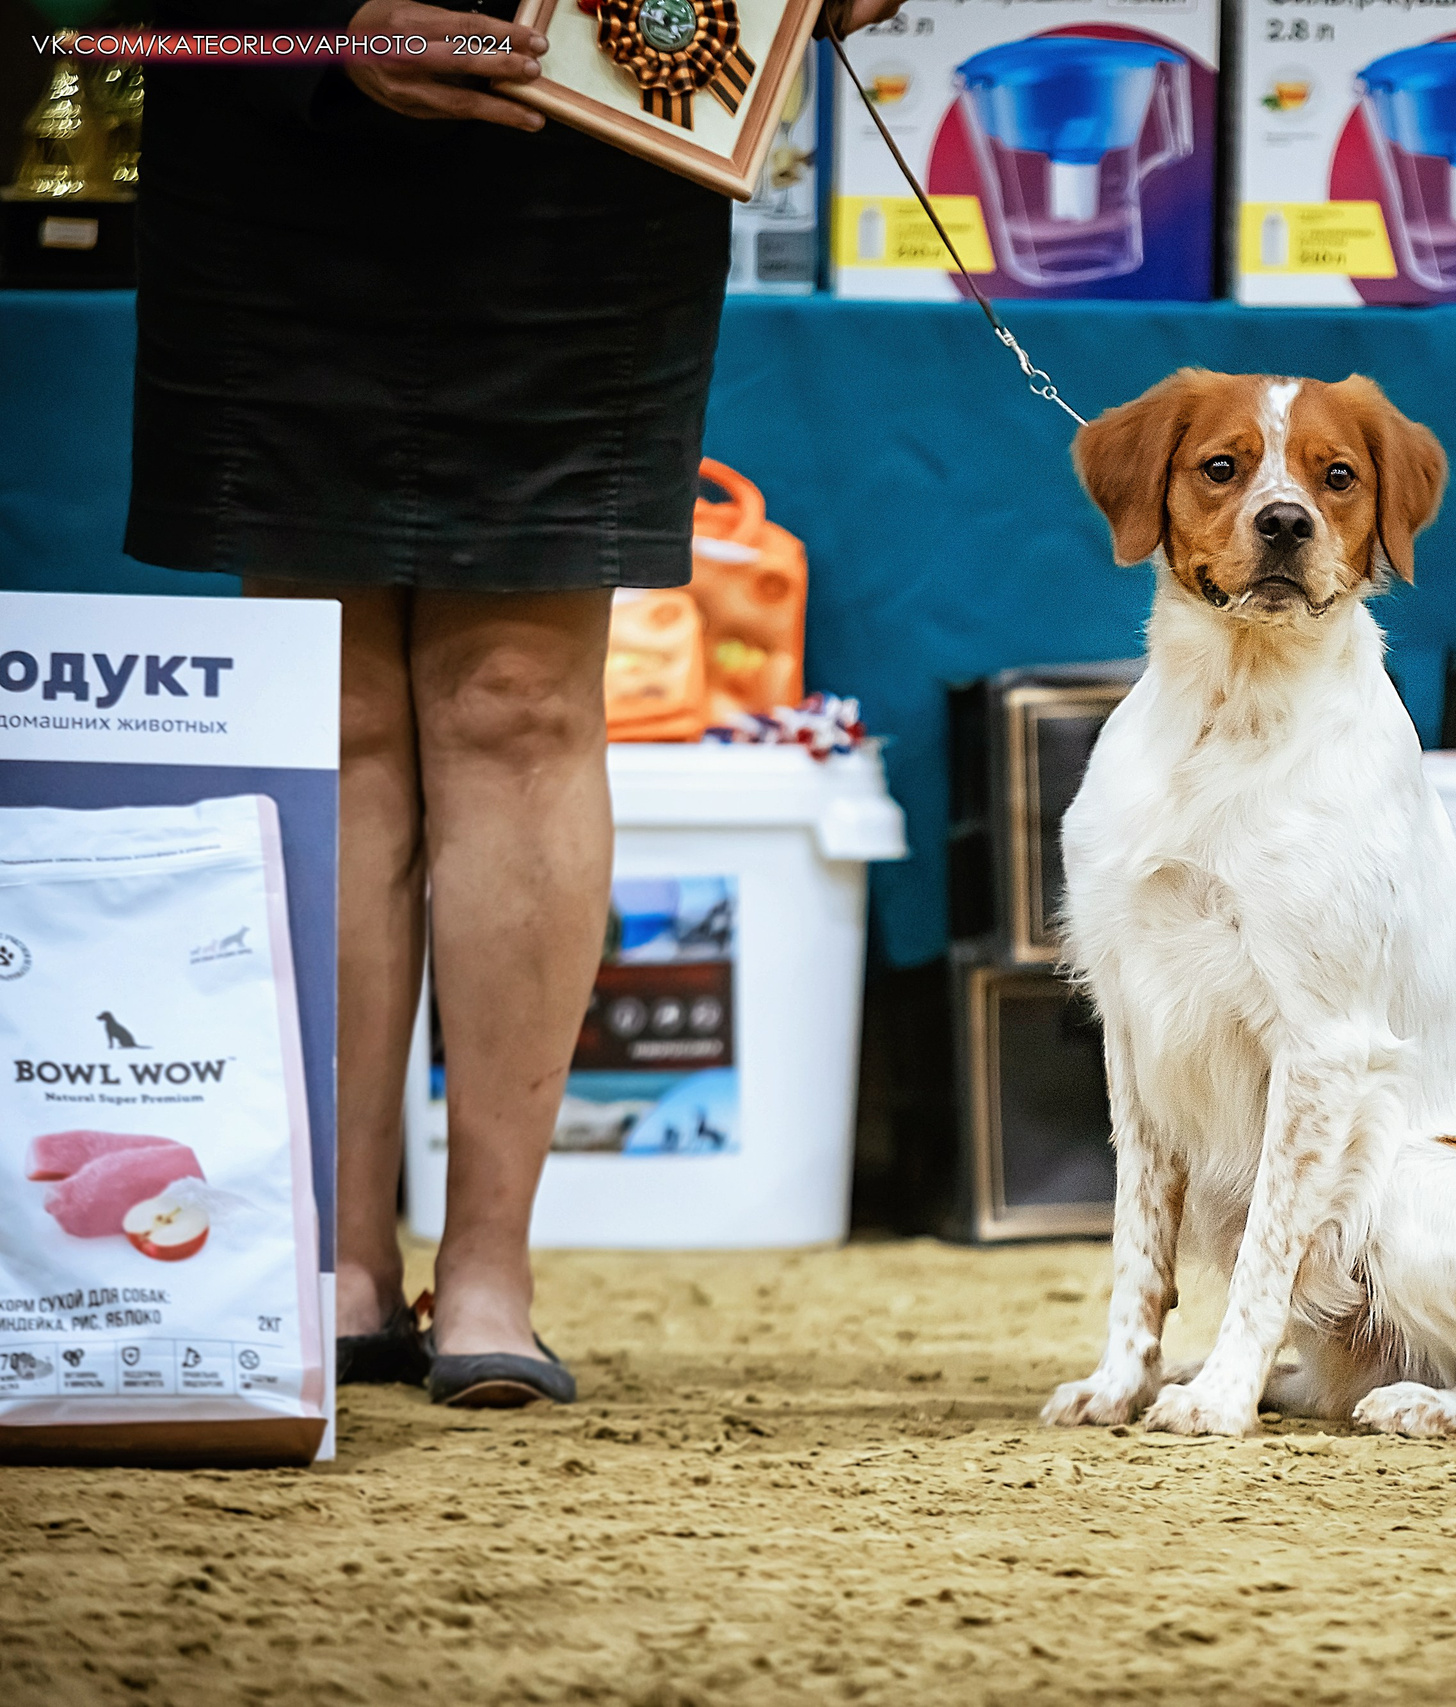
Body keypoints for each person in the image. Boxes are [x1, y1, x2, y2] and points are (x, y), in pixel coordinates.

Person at [126, 0, 900, 1406]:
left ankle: (490, 1263)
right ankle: (334, 1261)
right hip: (282, 147)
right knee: (331, 706)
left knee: (522, 702)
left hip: (591, 159)